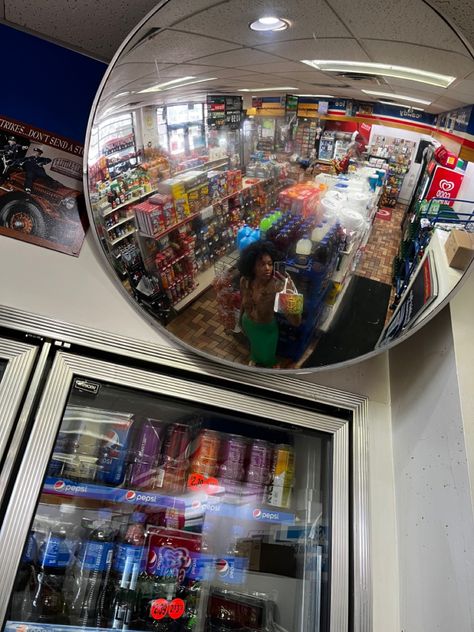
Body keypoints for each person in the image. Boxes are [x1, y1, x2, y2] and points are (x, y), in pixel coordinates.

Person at [238, 241, 301, 368]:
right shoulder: (245, 281)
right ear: (252, 266)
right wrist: (240, 321)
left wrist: (289, 292)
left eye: (270, 264)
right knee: (254, 348)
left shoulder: (278, 286)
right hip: (248, 324)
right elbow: (243, 303)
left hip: (266, 331)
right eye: (261, 264)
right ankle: (255, 359)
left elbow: (296, 321)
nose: (267, 268)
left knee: (267, 357)